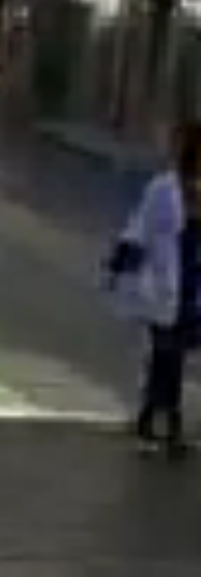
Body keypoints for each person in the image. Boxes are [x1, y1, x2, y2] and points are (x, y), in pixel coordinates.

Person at [108, 122, 201, 456]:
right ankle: (156, 424)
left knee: (174, 359)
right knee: (165, 356)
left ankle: (164, 424)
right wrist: (122, 264)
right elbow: (141, 227)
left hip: (192, 287)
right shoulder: (164, 188)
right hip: (164, 282)